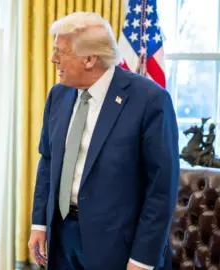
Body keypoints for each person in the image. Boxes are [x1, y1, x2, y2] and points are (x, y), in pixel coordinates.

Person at [28, 12, 179, 270]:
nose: (53, 59)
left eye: (60, 52)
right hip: (62, 237)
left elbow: (161, 187)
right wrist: (39, 223)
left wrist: (143, 258)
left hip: (119, 246)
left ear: (89, 59)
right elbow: (48, 161)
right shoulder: (58, 95)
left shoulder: (150, 100)